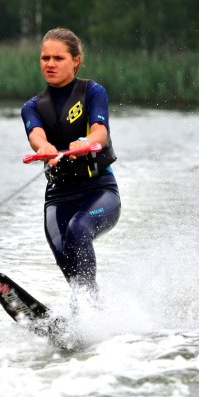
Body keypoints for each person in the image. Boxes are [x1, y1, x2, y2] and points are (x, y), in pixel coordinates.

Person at [20, 27, 121, 304]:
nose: (50, 64)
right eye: (45, 58)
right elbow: (36, 136)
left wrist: (84, 142)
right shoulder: (32, 106)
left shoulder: (92, 92)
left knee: (79, 228)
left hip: (99, 190)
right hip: (58, 196)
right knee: (63, 249)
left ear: (75, 60)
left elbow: (100, 131)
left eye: (58, 58)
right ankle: (87, 312)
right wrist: (44, 147)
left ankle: (88, 308)